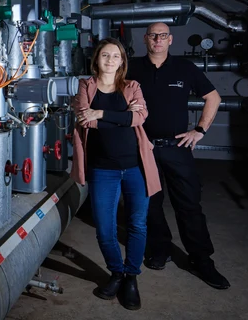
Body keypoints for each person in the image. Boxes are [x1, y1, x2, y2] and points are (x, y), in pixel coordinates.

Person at [126, 22, 230, 290]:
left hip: (177, 147)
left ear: (170, 40)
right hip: (143, 148)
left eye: (162, 36)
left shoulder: (184, 68)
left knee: (189, 204)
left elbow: (214, 98)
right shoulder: (132, 68)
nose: (158, 40)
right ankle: (160, 249)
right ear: (146, 40)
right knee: (150, 204)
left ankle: (201, 259)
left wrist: (199, 130)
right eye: (153, 35)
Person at [71, 38, 162, 310]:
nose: (110, 60)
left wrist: (101, 113)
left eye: (116, 56)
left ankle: (131, 277)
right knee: (105, 228)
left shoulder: (132, 87)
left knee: (137, 224)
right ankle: (117, 272)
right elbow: (85, 119)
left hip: (135, 167)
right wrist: (120, 114)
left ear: (122, 61)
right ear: (96, 59)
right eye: (105, 55)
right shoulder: (85, 86)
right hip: (103, 170)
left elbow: (139, 118)